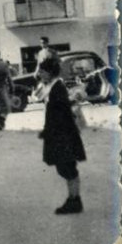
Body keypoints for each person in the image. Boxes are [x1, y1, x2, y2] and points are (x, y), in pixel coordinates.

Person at [38, 52, 86, 214]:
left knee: (67, 168)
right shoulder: (53, 86)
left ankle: (74, 200)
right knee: (65, 167)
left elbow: (60, 113)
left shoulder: (57, 87)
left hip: (62, 135)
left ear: (50, 72)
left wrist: (48, 132)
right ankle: (74, 199)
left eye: (42, 72)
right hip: (60, 134)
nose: (40, 74)